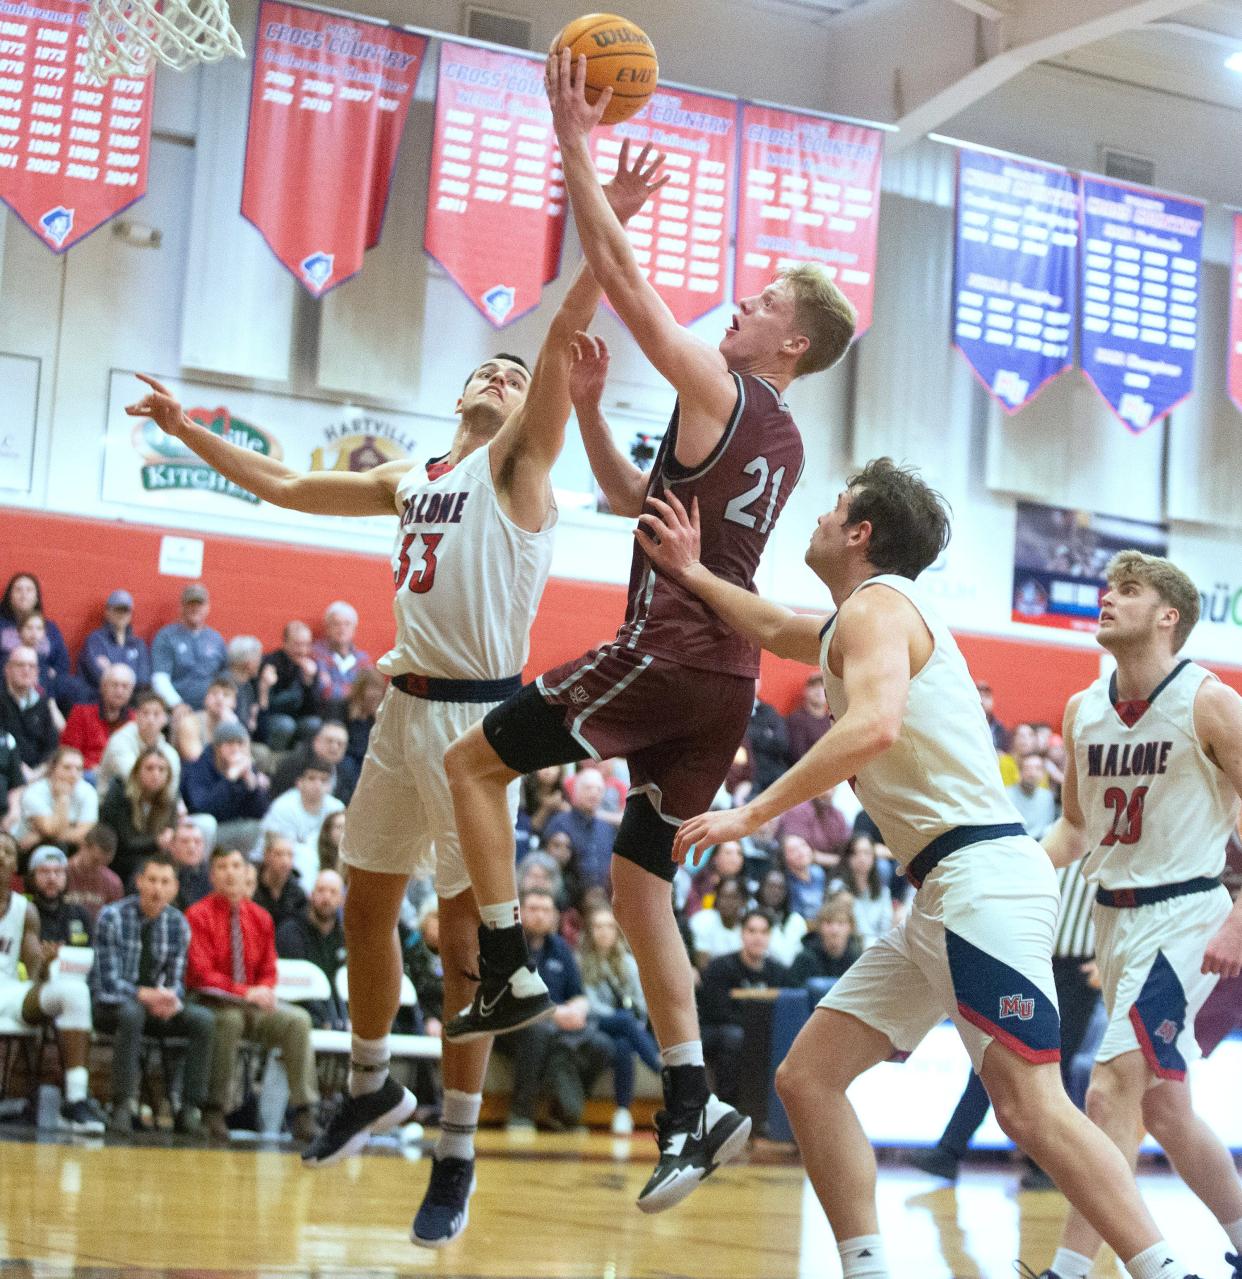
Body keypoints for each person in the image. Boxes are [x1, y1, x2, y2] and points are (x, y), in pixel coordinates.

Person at [124, 141, 667, 1247]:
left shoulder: (518, 469)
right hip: (402, 711)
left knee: (465, 947)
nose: (505, 376)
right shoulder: (406, 477)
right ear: (461, 391)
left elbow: (562, 338)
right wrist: (188, 429)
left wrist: (604, 216)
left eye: (519, 378)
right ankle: (374, 1084)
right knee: (368, 904)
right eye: (492, 371)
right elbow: (280, 482)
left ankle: (456, 1151)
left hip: (480, 721)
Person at [445, 51, 857, 1216]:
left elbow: (627, 285)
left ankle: (508, 967)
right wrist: (582, 415)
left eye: (765, 301)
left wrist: (574, 147)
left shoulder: (725, 390)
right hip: (722, 689)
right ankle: (693, 1101)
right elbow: (637, 500)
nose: (744, 304)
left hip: (668, 652)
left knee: (469, 763)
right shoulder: (774, 437)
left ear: (793, 344)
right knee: (639, 888)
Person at [637, 462, 1200, 1279]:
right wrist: (690, 571)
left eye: (834, 509)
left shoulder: (878, 607)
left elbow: (871, 725)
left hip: (981, 878)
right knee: (808, 1076)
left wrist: (751, 811)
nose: (821, 518)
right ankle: (867, 1266)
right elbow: (772, 625)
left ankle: (1162, 1267)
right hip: (944, 893)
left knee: (1029, 1105)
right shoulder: (859, 619)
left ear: (862, 533)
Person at [1038, 552, 1242, 1279]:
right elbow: (1072, 828)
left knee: (1108, 1083)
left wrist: (1237, 921)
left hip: (1187, 914)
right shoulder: (1082, 708)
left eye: (1128, 590)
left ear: (1168, 616)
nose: (1106, 597)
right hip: (1114, 920)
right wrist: (1014, 867)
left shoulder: (1209, 701)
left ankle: (1071, 1269)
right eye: (1107, 587)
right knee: (1165, 1111)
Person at [911, 858, 1100, 1190]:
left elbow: (1122, 913)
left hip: (1077, 975)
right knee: (995, 1052)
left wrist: (1105, 960)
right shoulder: (1045, 838)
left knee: (1052, 1068)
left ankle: (1049, 1165)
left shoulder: (1107, 853)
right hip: (1030, 963)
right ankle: (949, 1152)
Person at [185, 846, 319, 1144]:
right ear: (212, 876)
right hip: (212, 1002)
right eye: (222, 867)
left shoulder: (260, 917)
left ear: (247, 873)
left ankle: (305, 1111)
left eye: (236, 865)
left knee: (297, 1020)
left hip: (252, 1004)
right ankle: (214, 1109)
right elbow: (200, 973)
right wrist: (247, 992)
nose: (231, 873)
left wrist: (266, 990)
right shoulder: (197, 915)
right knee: (229, 1021)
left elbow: (269, 969)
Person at [91, 852, 214, 1135]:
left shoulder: (178, 924)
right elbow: (108, 982)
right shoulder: (112, 916)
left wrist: (171, 1000)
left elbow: (177, 982)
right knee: (132, 1013)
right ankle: (122, 1105)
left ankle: (189, 1110)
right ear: (139, 883)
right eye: (152, 880)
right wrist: (146, 995)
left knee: (203, 1020)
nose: (158, 889)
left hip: (155, 1007)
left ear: (174, 888)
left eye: (165, 882)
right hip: (111, 1006)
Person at [0, 832, 105, 1131]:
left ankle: (74, 1101)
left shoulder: (25, 910)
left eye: (7, 851)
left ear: (15, 866)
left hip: (8, 992)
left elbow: (33, 974)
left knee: (73, 991)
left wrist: (45, 964)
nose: (0, 856)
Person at [494, 886, 610, 1133]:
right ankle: (521, 1113)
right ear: (519, 913)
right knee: (540, 1032)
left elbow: (578, 994)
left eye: (546, 910)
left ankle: (562, 1109)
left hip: (555, 1026)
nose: (540, 915)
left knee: (601, 1045)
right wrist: (557, 1014)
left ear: (555, 915)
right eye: (533, 909)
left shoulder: (560, 949)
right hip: (510, 1025)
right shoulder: (506, 946)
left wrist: (578, 1009)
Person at [578, 904, 662, 1135]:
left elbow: (641, 1004)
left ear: (617, 931)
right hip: (594, 1023)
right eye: (598, 926)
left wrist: (630, 1021)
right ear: (590, 931)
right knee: (624, 1021)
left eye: (609, 927)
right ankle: (659, 1067)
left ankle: (623, 1111)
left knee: (623, 1046)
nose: (603, 932)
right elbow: (589, 1004)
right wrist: (621, 1018)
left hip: (625, 1029)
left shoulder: (629, 963)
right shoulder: (581, 962)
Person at [697, 909, 789, 1106]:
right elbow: (716, 1012)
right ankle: (728, 1108)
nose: (758, 937)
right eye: (752, 931)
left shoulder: (779, 972)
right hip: (716, 1032)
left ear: (770, 936)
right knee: (734, 1037)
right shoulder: (720, 967)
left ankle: (769, 1114)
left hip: (758, 1033)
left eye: (764, 932)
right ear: (742, 933)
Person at [180, 722, 270, 856]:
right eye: (229, 744)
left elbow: (261, 813)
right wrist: (229, 780)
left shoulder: (245, 767)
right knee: (207, 823)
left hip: (227, 827)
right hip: (198, 830)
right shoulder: (199, 766)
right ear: (217, 747)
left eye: (240, 744)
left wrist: (252, 786)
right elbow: (200, 808)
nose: (235, 749)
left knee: (257, 827)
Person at [276, 869, 348, 1029]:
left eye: (333, 892)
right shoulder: (290, 932)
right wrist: (325, 1019)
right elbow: (295, 986)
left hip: (339, 1016)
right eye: (321, 890)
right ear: (311, 894)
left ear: (342, 900)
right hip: (299, 1013)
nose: (326, 897)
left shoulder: (346, 938)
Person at [99, 747, 178, 886]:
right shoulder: (120, 794)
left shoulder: (170, 800)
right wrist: (157, 841)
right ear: (137, 772)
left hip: (154, 859)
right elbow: (126, 841)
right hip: (122, 860)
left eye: (161, 769)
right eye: (149, 768)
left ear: (168, 776)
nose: (155, 774)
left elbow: (170, 832)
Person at [261, 756, 344, 887]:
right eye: (312, 778)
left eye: (323, 780)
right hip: (284, 861)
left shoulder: (336, 807)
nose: (318, 785)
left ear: (329, 786)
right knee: (306, 856)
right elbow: (276, 844)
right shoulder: (284, 806)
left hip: (324, 861)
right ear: (299, 782)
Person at [151, 583, 227, 713]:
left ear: (207, 608)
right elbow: (160, 678)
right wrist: (176, 704)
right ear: (182, 607)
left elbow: (225, 677)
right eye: (191, 604)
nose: (195, 608)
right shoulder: (166, 636)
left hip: (211, 709)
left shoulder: (216, 639)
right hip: (177, 708)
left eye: (200, 604)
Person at [96, 687, 180, 799]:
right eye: (145, 713)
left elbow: (171, 791)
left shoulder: (170, 753)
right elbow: (134, 779)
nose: (150, 720)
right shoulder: (120, 740)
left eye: (156, 714)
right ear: (136, 716)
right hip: (116, 806)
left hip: (153, 807)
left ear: (165, 719)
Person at [540, 768, 615, 891]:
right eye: (588, 788)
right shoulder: (559, 823)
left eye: (599, 789)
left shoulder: (607, 828)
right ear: (575, 791)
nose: (594, 793)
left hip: (603, 899)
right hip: (569, 899)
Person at [16, 745, 98, 856]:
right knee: (59, 846)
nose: (73, 774)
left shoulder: (88, 792)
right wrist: (63, 798)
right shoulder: (34, 792)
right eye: (67, 768)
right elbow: (50, 830)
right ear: (52, 769)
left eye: (78, 769)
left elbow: (84, 834)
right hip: (25, 850)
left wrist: (40, 836)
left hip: (60, 846)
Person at [259, 621, 326, 751]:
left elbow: (315, 711)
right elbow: (268, 705)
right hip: (275, 718)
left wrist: (309, 683)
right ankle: (275, 762)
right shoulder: (271, 663)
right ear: (285, 643)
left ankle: (302, 762)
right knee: (286, 724)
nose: (303, 650)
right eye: (297, 645)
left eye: (307, 645)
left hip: (299, 719)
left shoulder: (311, 667)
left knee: (315, 724)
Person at [60, 663, 136, 775]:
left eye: (125, 686)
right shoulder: (81, 713)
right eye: (114, 685)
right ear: (103, 687)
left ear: (131, 692)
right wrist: (91, 767)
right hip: (86, 774)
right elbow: (67, 753)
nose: (119, 691)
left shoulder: (135, 720)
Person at [0, 645, 58, 779]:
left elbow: (52, 747)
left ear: (37, 672)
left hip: (39, 774)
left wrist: (38, 772)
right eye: (20, 665)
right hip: (6, 775)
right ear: (7, 670)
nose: (26, 670)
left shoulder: (42, 703)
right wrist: (18, 768)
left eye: (31, 666)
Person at [78, 590, 152, 693]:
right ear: (107, 612)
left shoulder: (138, 644)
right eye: (117, 610)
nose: (121, 614)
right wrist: (128, 677)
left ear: (130, 614)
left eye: (125, 610)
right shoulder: (95, 640)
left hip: (133, 700)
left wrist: (112, 670)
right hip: (100, 700)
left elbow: (144, 679)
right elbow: (98, 675)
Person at [270, 720, 358, 806]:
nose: (334, 747)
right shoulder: (292, 764)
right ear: (316, 741)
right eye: (329, 741)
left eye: (340, 744)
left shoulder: (347, 771)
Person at [831, 832, 893, 947]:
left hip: (878, 948)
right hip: (850, 948)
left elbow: (886, 929)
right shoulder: (838, 888)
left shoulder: (883, 892)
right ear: (848, 857)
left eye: (867, 853)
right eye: (856, 853)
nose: (862, 858)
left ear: (873, 857)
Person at [788, 893, 863, 986]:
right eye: (828, 923)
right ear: (819, 927)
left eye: (841, 923)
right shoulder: (804, 960)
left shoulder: (858, 961)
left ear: (851, 928)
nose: (834, 930)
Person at [27, 845, 92, 948]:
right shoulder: (24, 913)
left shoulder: (80, 915)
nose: (52, 878)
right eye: (44, 871)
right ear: (32, 878)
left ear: (66, 877)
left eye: (58, 872)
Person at [173, 674, 240, 764]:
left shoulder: (234, 723)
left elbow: (245, 760)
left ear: (234, 703)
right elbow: (196, 760)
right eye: (214, 693)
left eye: (226, 695)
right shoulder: (190, 722)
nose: (219, 699)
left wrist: (232, 729)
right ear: (206, 699)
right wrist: (226, 732)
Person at [64, 824, 123, 924]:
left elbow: (114, 921)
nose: (99, 867)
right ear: (83, 846)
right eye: (95, 861)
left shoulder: (113, 883)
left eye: (106, 863)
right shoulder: (60, 873)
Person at [313, 601, 372, 701]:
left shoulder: (363, 659)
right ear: (327, 628)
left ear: (354, 629)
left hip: (357, 713)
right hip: (327, 712)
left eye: (347, 624)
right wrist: (355, 692)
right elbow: (323, 690)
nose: (342, 629)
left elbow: (371, 690)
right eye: (336, 624)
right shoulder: (317, 654)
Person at [252, 831, 308, 931]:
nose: (285, 861)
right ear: (266, 855)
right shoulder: (251, 886)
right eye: (279, 854)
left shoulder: (298, 894)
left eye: (290, 855)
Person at [688, 875, 746, 970]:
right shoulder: (703, 920)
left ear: (743, 901)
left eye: (734, 897)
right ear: (716, 899)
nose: (728, 902)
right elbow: (703, 966)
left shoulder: (750, 925)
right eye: (723, 896)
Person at [755, 866, 808, 966]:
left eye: (780, 888)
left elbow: (787, 959)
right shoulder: (750, 917)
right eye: (770, 886)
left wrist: (772, 922)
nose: (775, 891)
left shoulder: (796, 920)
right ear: (761, 887)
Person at [1007, 752, 1058, 840]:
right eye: (1028, 768)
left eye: (1037, 769)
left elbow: (1047, 826)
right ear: (1019, 772)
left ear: (1043, 773)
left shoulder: (1047, 796)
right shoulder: (1007, 794)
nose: (1032, 773)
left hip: (1041, 845)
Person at [785, 674, 831, 765]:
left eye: (823, 687)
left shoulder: (832, 720)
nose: (820, 691)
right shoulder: (797, 719)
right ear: (805, 691)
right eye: (814, 686)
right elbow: (798, 756)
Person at [169, 816, 211, 910]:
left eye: (197, 842)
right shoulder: (159, 873)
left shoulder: (213, 875)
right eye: (184, 841)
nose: (192, 847)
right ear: (172, 845)